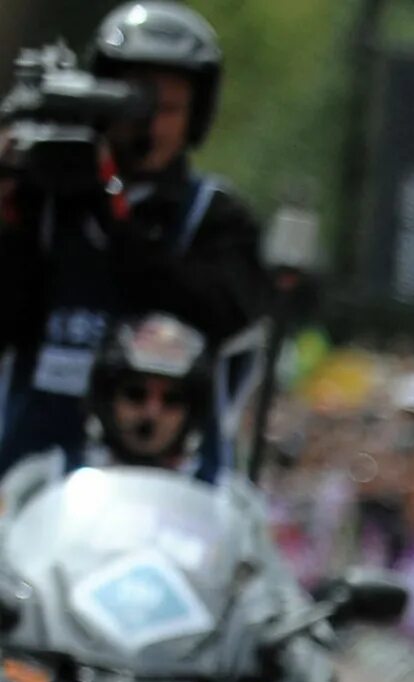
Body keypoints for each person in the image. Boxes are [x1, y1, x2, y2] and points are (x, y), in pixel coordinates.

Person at [0, 3, 263, 474]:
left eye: (167, 109)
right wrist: (10, 217)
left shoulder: (217, 217)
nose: (150, 126)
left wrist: (115, 211)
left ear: (195, 115)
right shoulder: (44, 205)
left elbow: (216, 314)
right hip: (35, 486)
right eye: (133, 103)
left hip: (169, 496)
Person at [83, 309, 207, 468]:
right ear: (106, 401)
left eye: (171, 400)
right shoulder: (56, 478)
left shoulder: (221, 490)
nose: (152, 413)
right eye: (136, 395)